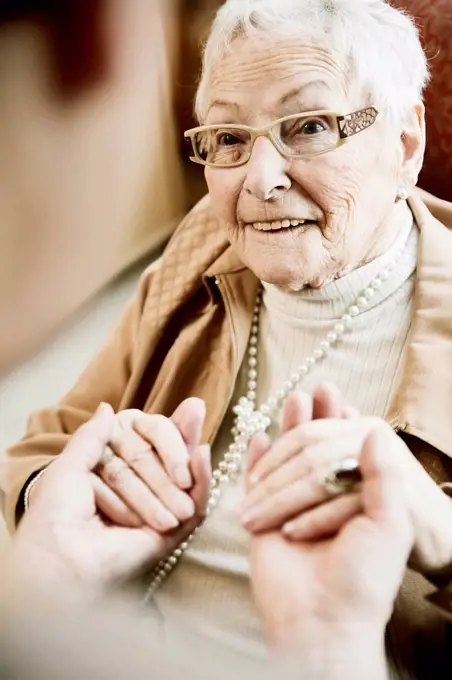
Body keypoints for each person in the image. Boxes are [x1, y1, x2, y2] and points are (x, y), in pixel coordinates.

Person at [3, 0, 452, 676]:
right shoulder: (204, 245)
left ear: (406, 144)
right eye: (230, 138)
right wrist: (60, 497)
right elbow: (46, 441)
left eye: (308, 126)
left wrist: (440, 537)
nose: (259, 181)